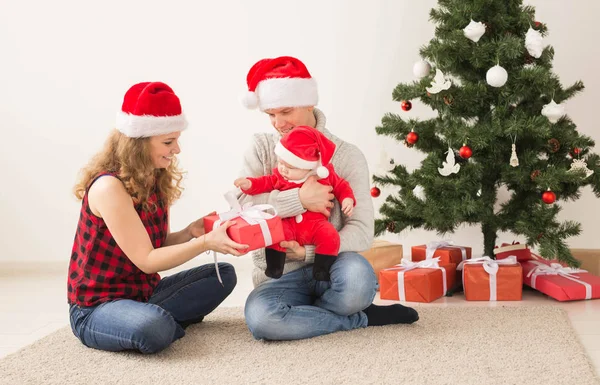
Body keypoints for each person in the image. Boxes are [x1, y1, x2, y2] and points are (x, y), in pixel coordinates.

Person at [238, 56, 420, 341]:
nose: (279, 123)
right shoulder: (261, 148)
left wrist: (308, 253)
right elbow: (245, 207)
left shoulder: (347, 155)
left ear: (310, 102)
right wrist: (299, 198)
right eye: (270, 115)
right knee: (262, 320)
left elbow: (361, 232)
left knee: (358, 283)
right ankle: (357, 319)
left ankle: (309, 318)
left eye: (286, 111)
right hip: (279, 275)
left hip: (334, 266)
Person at [68, 81, 246, 354]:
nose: (177, 149)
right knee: (153, 327)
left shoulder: (153, 177)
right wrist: (206, 243)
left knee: (223, 275)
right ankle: (151, 322)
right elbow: (147, 261)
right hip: (96, 306)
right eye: (168, 142)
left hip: (143, 294)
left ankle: (150, 318)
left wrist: (191, 232)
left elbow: (157, 245)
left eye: (176, 140)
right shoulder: (109, 187)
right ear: (138, 144)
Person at [234, 125, 355, 281]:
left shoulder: (324, 175)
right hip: (288, 223)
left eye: (289, 166)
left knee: (331, 237)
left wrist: (347, 199)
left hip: (315, 225)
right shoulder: (281, 177)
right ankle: (274, 267)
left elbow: (341, 186)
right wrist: (250, 184)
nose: (282, 169)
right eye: (280, 162)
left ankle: (321, 270)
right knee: (276, 234)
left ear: (307, 165)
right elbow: (265, 182)